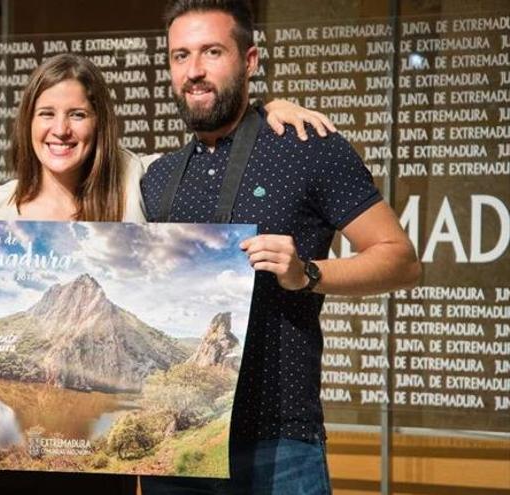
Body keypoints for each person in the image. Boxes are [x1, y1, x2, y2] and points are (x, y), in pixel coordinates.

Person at [0, 54, 339, 495]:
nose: (60, 129)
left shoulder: (136, 182)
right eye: (46, 113)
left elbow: (214, 142)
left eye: (78, 115)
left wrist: (265, 110)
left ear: (98, 123)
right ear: (27, 122)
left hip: (94, 480)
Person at [138, 1, 421, 494]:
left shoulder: (308, 147)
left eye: (211, 52)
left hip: (280, 443)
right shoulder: (156, 177)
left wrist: (307, 273)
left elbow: (400, 258)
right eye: (180, 56)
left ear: (249, 61)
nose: (195, 71)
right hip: (182, 440)